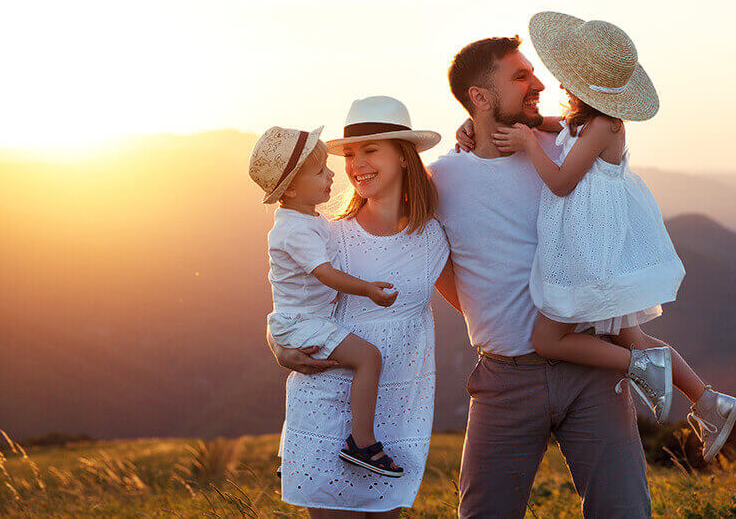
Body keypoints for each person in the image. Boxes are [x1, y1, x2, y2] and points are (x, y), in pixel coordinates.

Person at [457, 12, 736, 463]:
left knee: (554, 339)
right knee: (630, 332)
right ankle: (710, 402)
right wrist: (476, 127)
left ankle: (642, 371)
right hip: (591, 244)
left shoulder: (604, 125)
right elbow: (539, 124)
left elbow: (562, 182)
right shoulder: (582, 120)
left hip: (587, 250)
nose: (552, 84)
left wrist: (530, 145)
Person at [430, 34, 652, 517]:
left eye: (532, 72)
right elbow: (434, 267)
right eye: (521, 76)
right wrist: (488, 313)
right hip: (504, 379)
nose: (540, 83)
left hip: (595, 371)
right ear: (481, 98)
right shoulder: (443, 178)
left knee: (625, 512)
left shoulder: (566, 145)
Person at [268, 96, 456, 517]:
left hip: (399, 407)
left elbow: (472, 302)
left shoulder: (434, 239)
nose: (356, 165)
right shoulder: (332, 239)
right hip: (326, 408)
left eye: (371, 150)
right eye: (350, 153)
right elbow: (289, 301)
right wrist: (275, 344)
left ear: (405, 157)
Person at [249, 125, 405, 477]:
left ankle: (295, 450)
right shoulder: (295, 229)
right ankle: (362, 443)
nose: (332, 174)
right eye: (320, 171)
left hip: (302, 319)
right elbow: (325, 274)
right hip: (301, 323)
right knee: (368, 358)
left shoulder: (307, 219)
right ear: (290, 187)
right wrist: (367, 289)